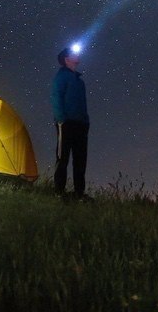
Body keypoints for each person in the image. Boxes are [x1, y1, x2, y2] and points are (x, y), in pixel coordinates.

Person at [51, 46, 90, 200]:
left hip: (81, 124)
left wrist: (86, 121)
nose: (77, 55)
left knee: (80, 159)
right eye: (74, 53)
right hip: (66, 123)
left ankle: (79, 193)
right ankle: (59, 192)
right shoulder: (61, 77)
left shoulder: (80, 82)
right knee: (63, 158)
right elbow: (56, 97)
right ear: (67, 59)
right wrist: (61, 119)